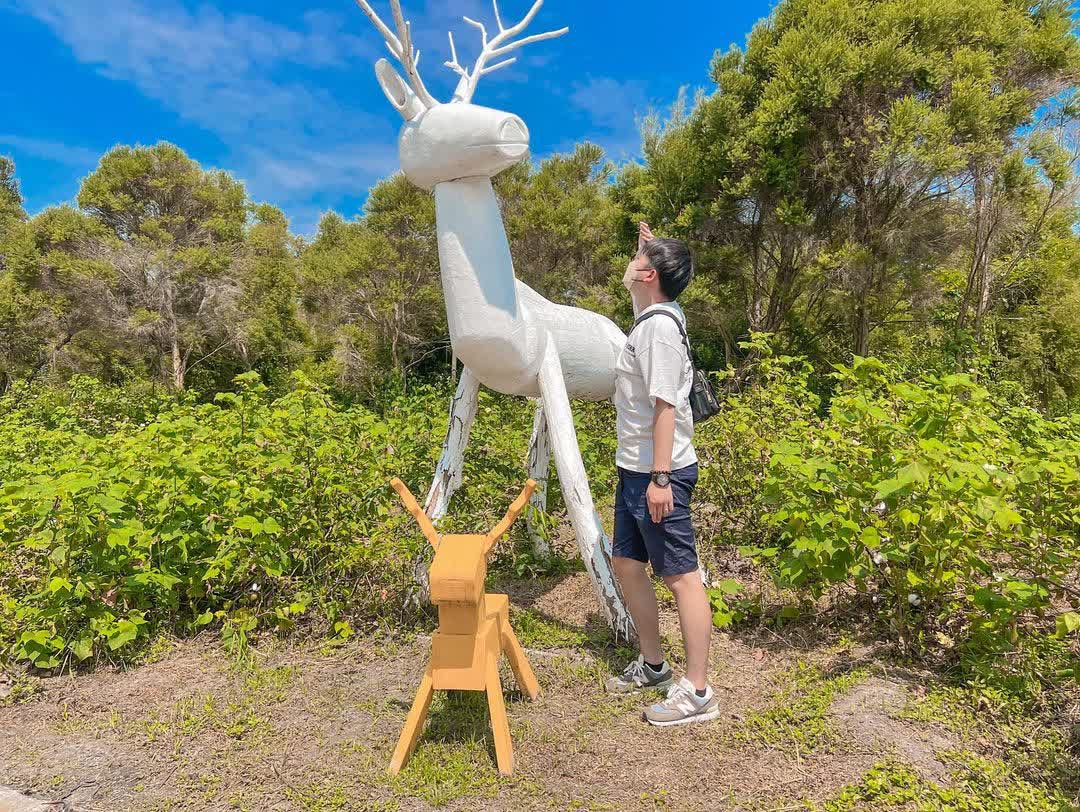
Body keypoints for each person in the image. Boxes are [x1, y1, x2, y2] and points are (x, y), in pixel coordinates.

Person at [605, 221, 718, 727]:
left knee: (680, 576)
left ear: (649, 274)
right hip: (635, 467)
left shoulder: (657, 330)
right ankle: (653, 665)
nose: (629, 267)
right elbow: (640, 299)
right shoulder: (654, 318)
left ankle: (697, 692)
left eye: (638, 262)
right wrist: (643, 255)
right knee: (627, 562)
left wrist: (660, 479)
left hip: (656, 471)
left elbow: (664, 407)